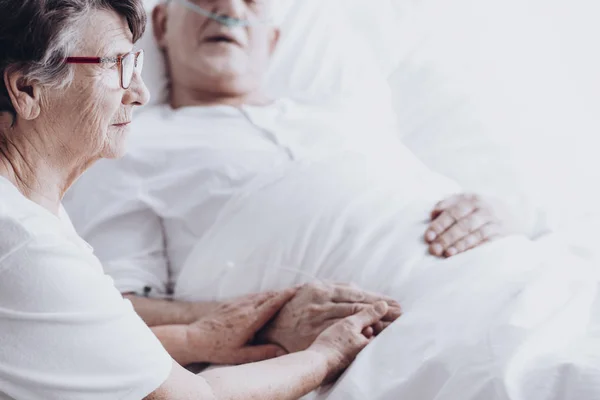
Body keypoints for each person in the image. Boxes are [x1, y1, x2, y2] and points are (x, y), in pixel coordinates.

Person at [63, 0, 534, 366]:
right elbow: (120, 312)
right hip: (394, 337)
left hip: (510, 278)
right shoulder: (131, 145)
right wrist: (263, 319)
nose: (229, 10)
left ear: (272, 40)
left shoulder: (347, 124)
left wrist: (498, 215)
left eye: (251, 4)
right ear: (162, 25)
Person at [0, 1, 399, 399]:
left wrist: (194, 338)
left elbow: (75, 343)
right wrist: (326, 355)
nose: (140, 92)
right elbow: (192, 397)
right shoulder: (27, 246)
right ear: (27, 89)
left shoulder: (31, 214)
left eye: (134, 65)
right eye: (114, 64)